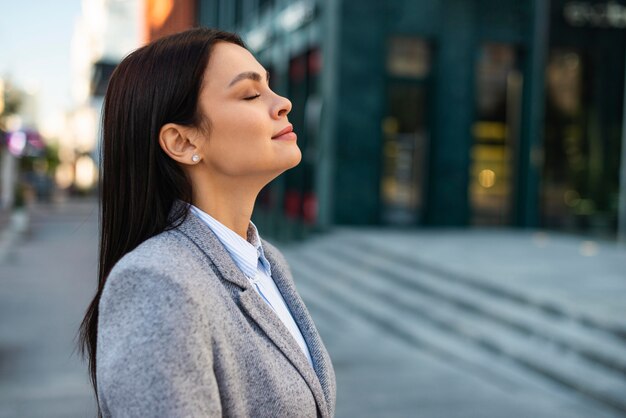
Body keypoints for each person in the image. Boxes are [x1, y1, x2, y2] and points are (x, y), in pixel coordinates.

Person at [78, 27, 336, 418]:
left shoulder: (268, 265)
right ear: (183, 142)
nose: (283, 102)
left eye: (269, 86)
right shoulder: (158, 283)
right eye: (250, 94)